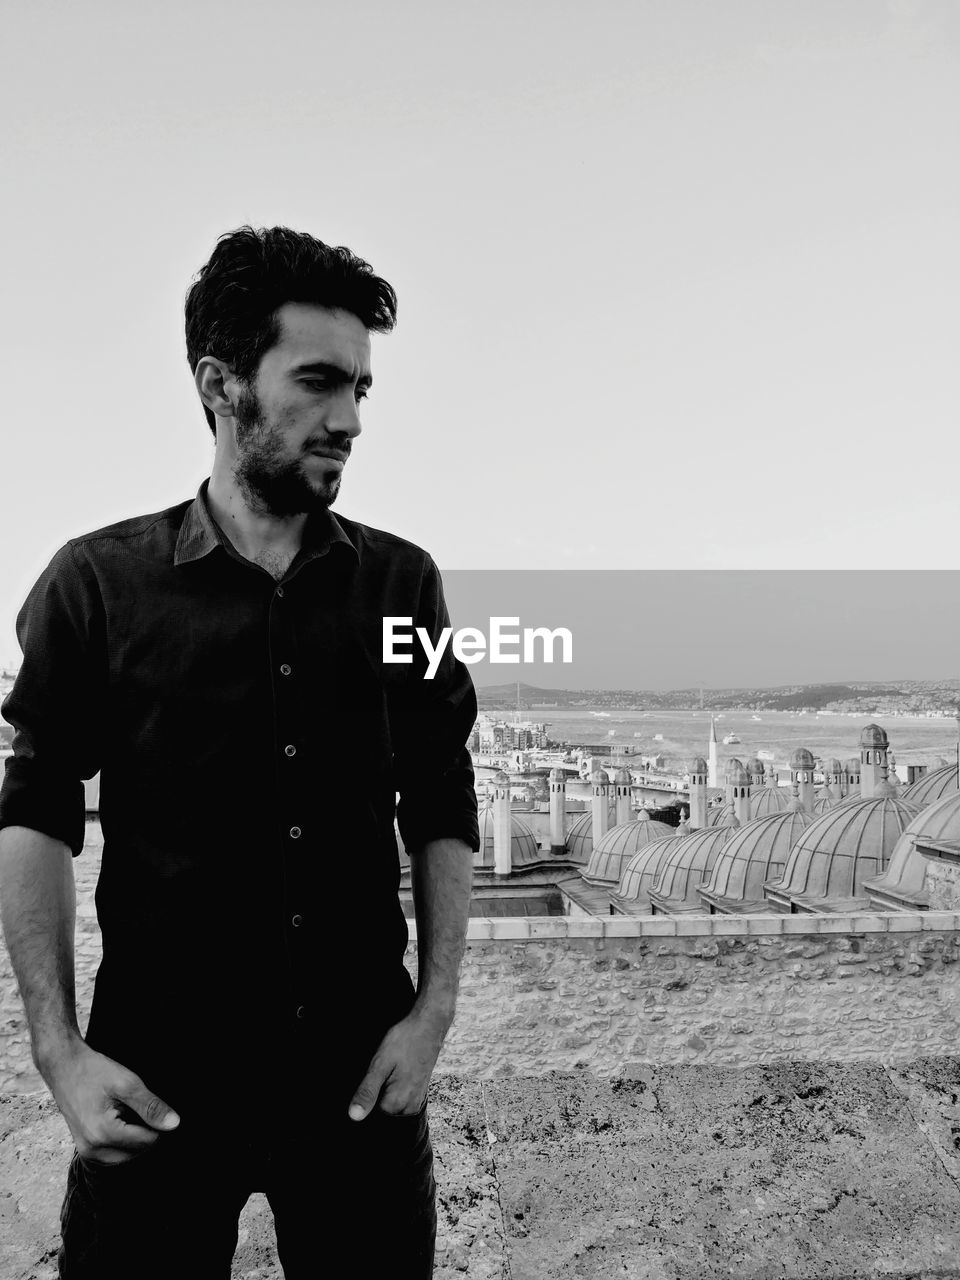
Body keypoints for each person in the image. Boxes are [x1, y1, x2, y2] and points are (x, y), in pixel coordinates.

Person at [0, 225, 479, 1278]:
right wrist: (58, 1050)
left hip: (362, 1090)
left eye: (360, 386)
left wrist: (434, 1007)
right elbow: (33, 808)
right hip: (154, 1093)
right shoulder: (97, 584)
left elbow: (442, 799)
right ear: (221, 385)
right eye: (317, 381)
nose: (350, 418)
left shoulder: (405, 586)